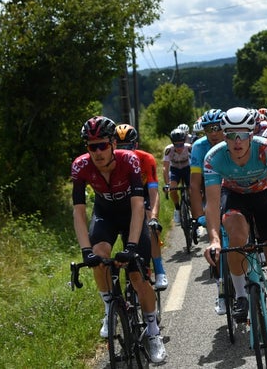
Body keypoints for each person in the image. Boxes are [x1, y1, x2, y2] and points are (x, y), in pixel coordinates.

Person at [71, 116, 166, 363]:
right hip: (105, 215)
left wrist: (131, 246)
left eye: (102, 145)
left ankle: (153, 331)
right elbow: (79, 212)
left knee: (137, 275)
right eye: (92, 147)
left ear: (113, 143)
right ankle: (108, 309)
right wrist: (85, 250)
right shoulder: (81, 166)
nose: (98, 152)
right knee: (99, 257)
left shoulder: (129, 160)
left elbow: (138, 206)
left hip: (131, 214)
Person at [202, 107, 267, 354]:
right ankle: (241, 294)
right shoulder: (214, 157)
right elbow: (212, 203)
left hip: (263, 195)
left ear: (252, 134)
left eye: (243, 135)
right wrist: (214, 239)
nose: (237, 142)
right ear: (224, 136)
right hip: (234, 196)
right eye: (231, 136)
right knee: (235, 236)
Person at [115, 124, 168, 290]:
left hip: (143, 194)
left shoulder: (146, 159)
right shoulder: (110, 161)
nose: (125, 151)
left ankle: (159, 270)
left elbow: (153, 192)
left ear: (136, 145)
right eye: (120, 147)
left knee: (151, 227)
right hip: (122, 197)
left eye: (128, 146)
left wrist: (154, 218)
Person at [189, 109, 226, 314]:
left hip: (234, 186)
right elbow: (195, 185)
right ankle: (221, 289)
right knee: (216, 244)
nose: (213, 133)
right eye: (208, 129)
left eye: (217, 128)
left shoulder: (233, 141)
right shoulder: (198, 147)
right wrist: (198, 217)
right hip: (211, 189)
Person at [163, 128, 192, 224]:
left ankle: (193, 209)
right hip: (175, 170)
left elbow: (195, 163)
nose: (179, 147)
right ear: (172, 143)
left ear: (184, 142)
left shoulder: (189, 148)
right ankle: (177, 209)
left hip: (187, 168)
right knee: (173, 188)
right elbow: (165, 168)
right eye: (176, 145)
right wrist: (167, 184)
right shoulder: (168, 150)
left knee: (192, 190)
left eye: (181, 144)